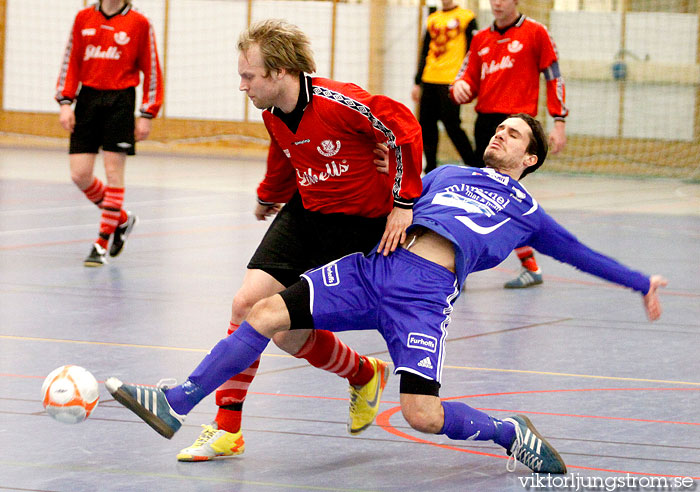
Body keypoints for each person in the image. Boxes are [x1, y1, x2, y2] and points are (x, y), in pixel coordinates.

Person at [106, 114, 667, 474]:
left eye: (514, 134)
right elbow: (396, 178)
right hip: (373, 267)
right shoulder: (447, 172)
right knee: (264, 311)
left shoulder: (527, 214)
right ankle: (176, 401)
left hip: (422, 299)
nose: (499, 134)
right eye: (498, 129)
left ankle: (508, 432)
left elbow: (582, 254)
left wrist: (641, 282)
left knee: (421, 414)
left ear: (531, 159)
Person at [174, 20, 424, 462]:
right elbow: (285, 154)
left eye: (248, 76)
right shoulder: (272, 114)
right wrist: (268, 195)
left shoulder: (338, 102)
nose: (242, 86)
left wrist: (403, 202)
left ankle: (364, 372)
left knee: (286, 334)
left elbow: (403, 128)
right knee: (246, 306)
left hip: (357, 223)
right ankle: (228, 430)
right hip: (306, 213)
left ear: (279, 72)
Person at [451, 0, 568, 289]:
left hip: (518, 126)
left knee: (507, 199)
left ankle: (470, 265)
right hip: (486, 126)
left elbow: (554, 77)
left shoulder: (536, 33)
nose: (497, 3)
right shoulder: (480, 39)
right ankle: (523, 265)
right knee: (481, 197)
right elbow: (464, 79)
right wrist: (459, 89)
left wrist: (559, 121)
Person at [55, 0, 163, 266]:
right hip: (88, 100)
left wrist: (147, 113)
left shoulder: (139, 22)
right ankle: (122, 219)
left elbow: (152, 71)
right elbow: (71, 62)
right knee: (80, 174)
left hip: (120, 101)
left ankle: (101, 242)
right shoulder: (83, 18)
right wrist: (66, 102)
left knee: (114, 173)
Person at [412, 0, 478, 173]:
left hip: (451, 80)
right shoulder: (433, 18)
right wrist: (417, 82)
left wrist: (468, 79)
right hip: (430, 78)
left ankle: (474, 165)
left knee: (452, 125)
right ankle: (430, 167)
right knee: (426, 125)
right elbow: (425, 50)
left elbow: (473, 50)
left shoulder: (466, 17)